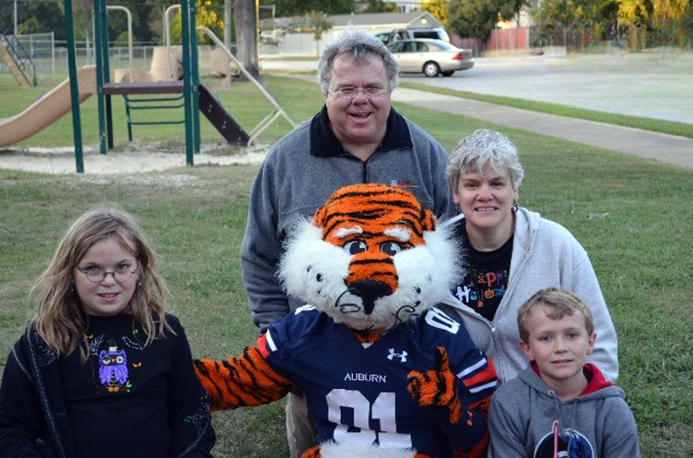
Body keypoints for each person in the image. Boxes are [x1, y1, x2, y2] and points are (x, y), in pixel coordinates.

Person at [240, 28, 454, 457]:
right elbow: (259, 255)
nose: (362, 99)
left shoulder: (425, 153)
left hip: (408, 354)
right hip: (317, 358)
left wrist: (439, 343)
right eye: (347, 88)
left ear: (391, 89)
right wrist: (279, 335)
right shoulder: (287, 159)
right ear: (325, 90)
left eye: (373, 87)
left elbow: (451, 250)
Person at [0, 208, 215, 457]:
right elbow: (9, 430)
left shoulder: (164, 332)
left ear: (140, 269)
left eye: (122, 267)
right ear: (70, 272)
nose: (109, 280)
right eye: (93, 269)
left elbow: (191, 411)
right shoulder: (43, 341)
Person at [439, 128, 619, 384]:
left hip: (547, 408)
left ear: (515, 191)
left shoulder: (557, 245)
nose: (485, 194)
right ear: (456, 194)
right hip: (465, 412)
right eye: (472, 184)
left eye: (497, 183)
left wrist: (584, 406)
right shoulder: (432, 256)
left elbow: (599, 342)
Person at [488, 287, 641, 457]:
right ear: (527, 349)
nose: (560, 348)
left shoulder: (613, 409)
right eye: (546, 338)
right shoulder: (508, 403)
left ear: (590, 343)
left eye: (571, 335)